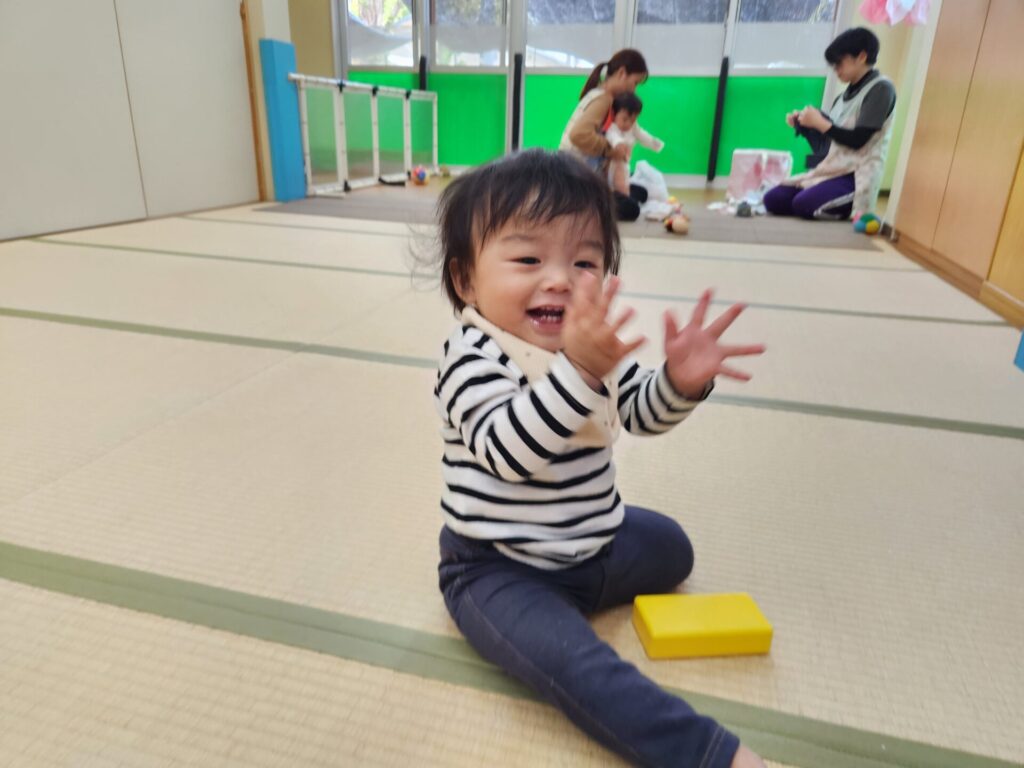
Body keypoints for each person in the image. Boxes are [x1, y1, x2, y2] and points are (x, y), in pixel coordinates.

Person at [431, 148, 767, 768]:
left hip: (593, 548)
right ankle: (708, 753)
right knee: (579, 667)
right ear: (466, 280)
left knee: (673, 547)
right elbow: (507, 451)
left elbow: (636, 412)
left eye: (584, 261)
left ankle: (575, 594)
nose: (560, 280)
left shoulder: (588, 345)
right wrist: (579, 371)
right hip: (499, 567)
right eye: (528, 259)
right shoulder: (472, 357)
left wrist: (679, 382)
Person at [764, 27, 896, 220]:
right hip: (832, 171)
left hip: (856, 175)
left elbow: (858, 141)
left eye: (839, 63)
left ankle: (848, 206)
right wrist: (807, 127)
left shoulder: (881, 89)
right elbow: (826, 148)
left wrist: (821, 123)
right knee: (773, 199)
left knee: (802, 204)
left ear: (861, 57)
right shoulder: (842, 98)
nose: (835, 69)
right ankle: (821, 199)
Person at [558, 49, 651, 221]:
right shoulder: (604, 99)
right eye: (635, 82)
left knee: (641, 192)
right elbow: (578, 135)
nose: (634, 90)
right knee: (631, 208)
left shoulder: (602, 95)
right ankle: (585, 203)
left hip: (580, 171)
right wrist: (611, 151)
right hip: (574, 176)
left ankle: (602, 196)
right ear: (622, 73)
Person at [606, 92, 665, 196]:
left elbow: (642, 136)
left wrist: (655, 144)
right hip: (613, 165)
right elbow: (612, 136)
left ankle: (624, 195)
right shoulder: (612, 128)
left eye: (633, 120)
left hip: (624, 165)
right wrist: (619, 143)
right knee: (620, 186)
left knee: (627, 185)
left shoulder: (633, 128)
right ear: (614, 114)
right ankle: (623, 197)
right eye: (624, 119)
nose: (628, 124)